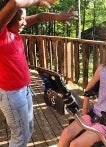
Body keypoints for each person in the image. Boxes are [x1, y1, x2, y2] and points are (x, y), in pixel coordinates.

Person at [0, 0, 78, 146]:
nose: (24, 22)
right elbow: (14, 2)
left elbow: (38, 17)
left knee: (29, 129)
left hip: (24, 89)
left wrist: (58, 17)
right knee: (19, 137)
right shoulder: (2, 33)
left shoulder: (14, 30)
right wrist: (37, 1)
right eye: (21, 19)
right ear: (8, 19)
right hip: (11, 95)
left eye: (24, 18)